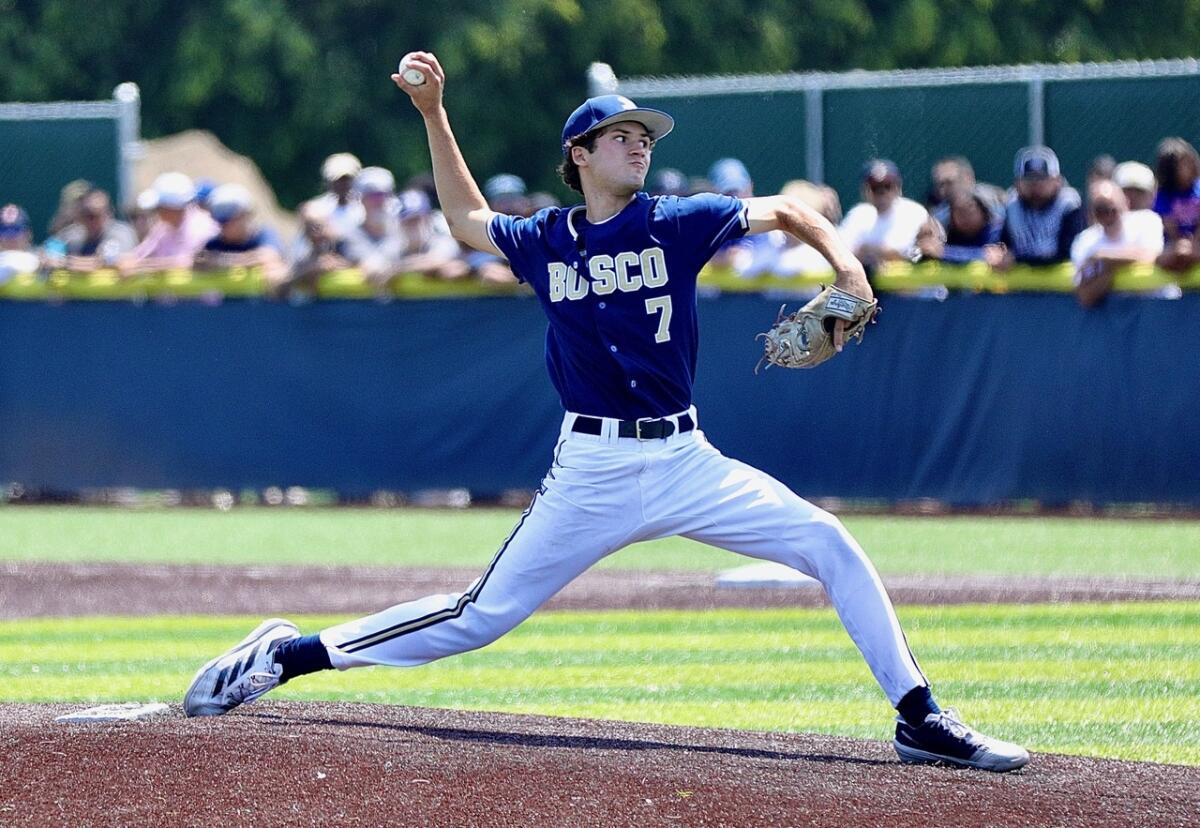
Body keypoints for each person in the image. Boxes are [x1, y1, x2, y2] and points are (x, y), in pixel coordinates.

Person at [183, 51, 1030, 774]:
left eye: (646, 137)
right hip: (591, 469)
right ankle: (287, 655)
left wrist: (851, 270)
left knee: (829, 544)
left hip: (688, 461)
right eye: (625, 136)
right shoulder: (548, 237)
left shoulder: (678, 222)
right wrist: (435, 113)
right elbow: (464, 218)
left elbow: (793, 211)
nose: (642, 146)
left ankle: (919, 715)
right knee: (478, 618)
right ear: (580, 154)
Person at [985, 146, 1085, 270]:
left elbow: (1067, 253)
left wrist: (1016, 259)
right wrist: (997, 253)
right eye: (1029, 179)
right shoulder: (1012, 205)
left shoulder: (1069, 205)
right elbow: (1001, 245)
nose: (1036, 184)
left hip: (1062, 285)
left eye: (1042, 178)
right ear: (1017, 183)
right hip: (1021, 285)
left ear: (1057, 181)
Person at [1071, 179, 1167, 308]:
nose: (1107, 214)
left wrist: (1104, 258)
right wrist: (1112, 270)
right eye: (1100, 209)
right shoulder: (1085, 241)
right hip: (1114, 314)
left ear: (1125, 203)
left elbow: (1151, 256)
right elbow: (1085, 297)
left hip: (1157, 306)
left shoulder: (1147, 220)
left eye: (1112, 208)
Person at [119, 172, 219, 274]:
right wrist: (125, 261)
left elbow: (192, 263)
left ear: (172, 207)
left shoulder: (203, 227)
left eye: (159, 207)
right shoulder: (163, 228)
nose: (157, 212)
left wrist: (144, 266)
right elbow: (139, 255)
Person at [193, 183, 287, 291]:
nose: (223, 225)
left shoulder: (263, 235)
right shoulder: (214, 243)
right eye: (220, 221)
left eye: (229, 220)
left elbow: (268, 257)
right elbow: (199, 263)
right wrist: (246, 262)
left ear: (245, 215)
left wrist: (220, 261)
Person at [839, 159, 930, 269]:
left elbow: (918, 254)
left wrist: (872, 250)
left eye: (887, 186)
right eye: (875, 187)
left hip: (910, 280)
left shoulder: (914, 212)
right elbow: (843, 255)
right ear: (865, 190)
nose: (882, 192)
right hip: (869, 281)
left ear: (898, 187)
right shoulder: (857, 215)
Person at [43, 188, 137, 272]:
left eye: (95, 214)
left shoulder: (121, 233)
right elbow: (49, 254)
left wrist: (66, 262)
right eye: (84, 214)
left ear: (109, 213)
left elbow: (108, 262)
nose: (89, 220)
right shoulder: (73, 234)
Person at [1151, 137, 1200, 273]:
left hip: (1196, 242)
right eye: (1184, 164)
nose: (1191, 165)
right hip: (1174, 245)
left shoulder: (1198, 189)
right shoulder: (1163, 195)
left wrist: (1194, 243)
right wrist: (1181, 244)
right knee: (1171, 255)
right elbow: (1170, 227)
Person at [312, 152, 367, 238]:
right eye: (337, 180)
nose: (342, 185)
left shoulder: (365, 210)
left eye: (347, 180)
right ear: (328, 182)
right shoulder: (316, 210)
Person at [0, 204, 40, 283]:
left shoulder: (42, 259)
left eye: (16, 229)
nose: (10, 237)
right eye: (4, 230)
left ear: (28, 234)